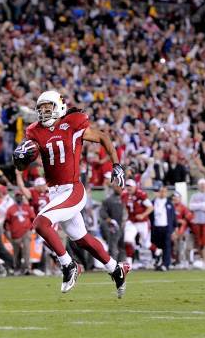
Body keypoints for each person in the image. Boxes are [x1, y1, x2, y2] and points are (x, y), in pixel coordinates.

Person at [13, 90, 129, 297]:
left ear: (58, 107)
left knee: (40, 223)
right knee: (81, 239)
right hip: (54, 193)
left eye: (48, 107)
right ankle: (115, 268)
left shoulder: (73, 123)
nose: (44, 112)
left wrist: (116, 164)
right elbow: (25, 163)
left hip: (73, 188)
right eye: (41, 109)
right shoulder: (34, 131)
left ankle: (69, 265)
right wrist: (21, 159)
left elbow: (102, 137)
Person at [121, 178, 154, 268]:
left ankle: (158, 252)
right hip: (131, 221)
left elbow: (151, 207)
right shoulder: (124, 195)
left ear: (135, 187)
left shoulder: (141, 194)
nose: (128, 188)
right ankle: (129, 263)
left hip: (142, 222)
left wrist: (143, 215)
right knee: (127, 240)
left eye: (130, 186)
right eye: (127, 186)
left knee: (146, 244)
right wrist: (124, 219)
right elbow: (124, 208)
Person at [4, 191, 35, 274]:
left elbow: (33, 219)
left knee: (26, 250)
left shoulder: (27, 207)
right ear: (15, 197)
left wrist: (31, 229)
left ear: (22, 197)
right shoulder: (11, 209)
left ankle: (27, 268)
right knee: (17, 252)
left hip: (26, 231)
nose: (19, 197)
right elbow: (7, 222)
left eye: (20, 196)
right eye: (17, 196)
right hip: (15, 233)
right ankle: (17, 268)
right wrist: (8, 231)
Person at [188, 178, 205, 269]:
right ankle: (202, 259)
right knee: (199, 243)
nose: (203, 186)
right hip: (197, 222)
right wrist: (201, 205)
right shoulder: (194, 195)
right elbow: (191, 206)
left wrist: (200, 206)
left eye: (204, 184)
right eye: (201, 184)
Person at [99, 173, 125, 261]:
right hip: (114, 226)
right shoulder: (109, 199)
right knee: (113, 245)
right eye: (117, 186)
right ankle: (113, 264)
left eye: (120, 187)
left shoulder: (126, 198)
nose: (119, 188)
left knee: (123, 246)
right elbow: (102, 212)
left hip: (124, 225)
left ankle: (123, 264)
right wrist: (108, 219)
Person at [149, 186, 176, 271]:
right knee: (156, 246)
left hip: (166, 228)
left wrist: (174, 229)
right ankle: (157, 262)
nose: (163, 193)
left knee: (167, 246)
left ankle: (165, 264)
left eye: (164, 191)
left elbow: (173, 217)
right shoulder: (153, 203)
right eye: (161, 191)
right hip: (155, 228)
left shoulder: (169, 204)